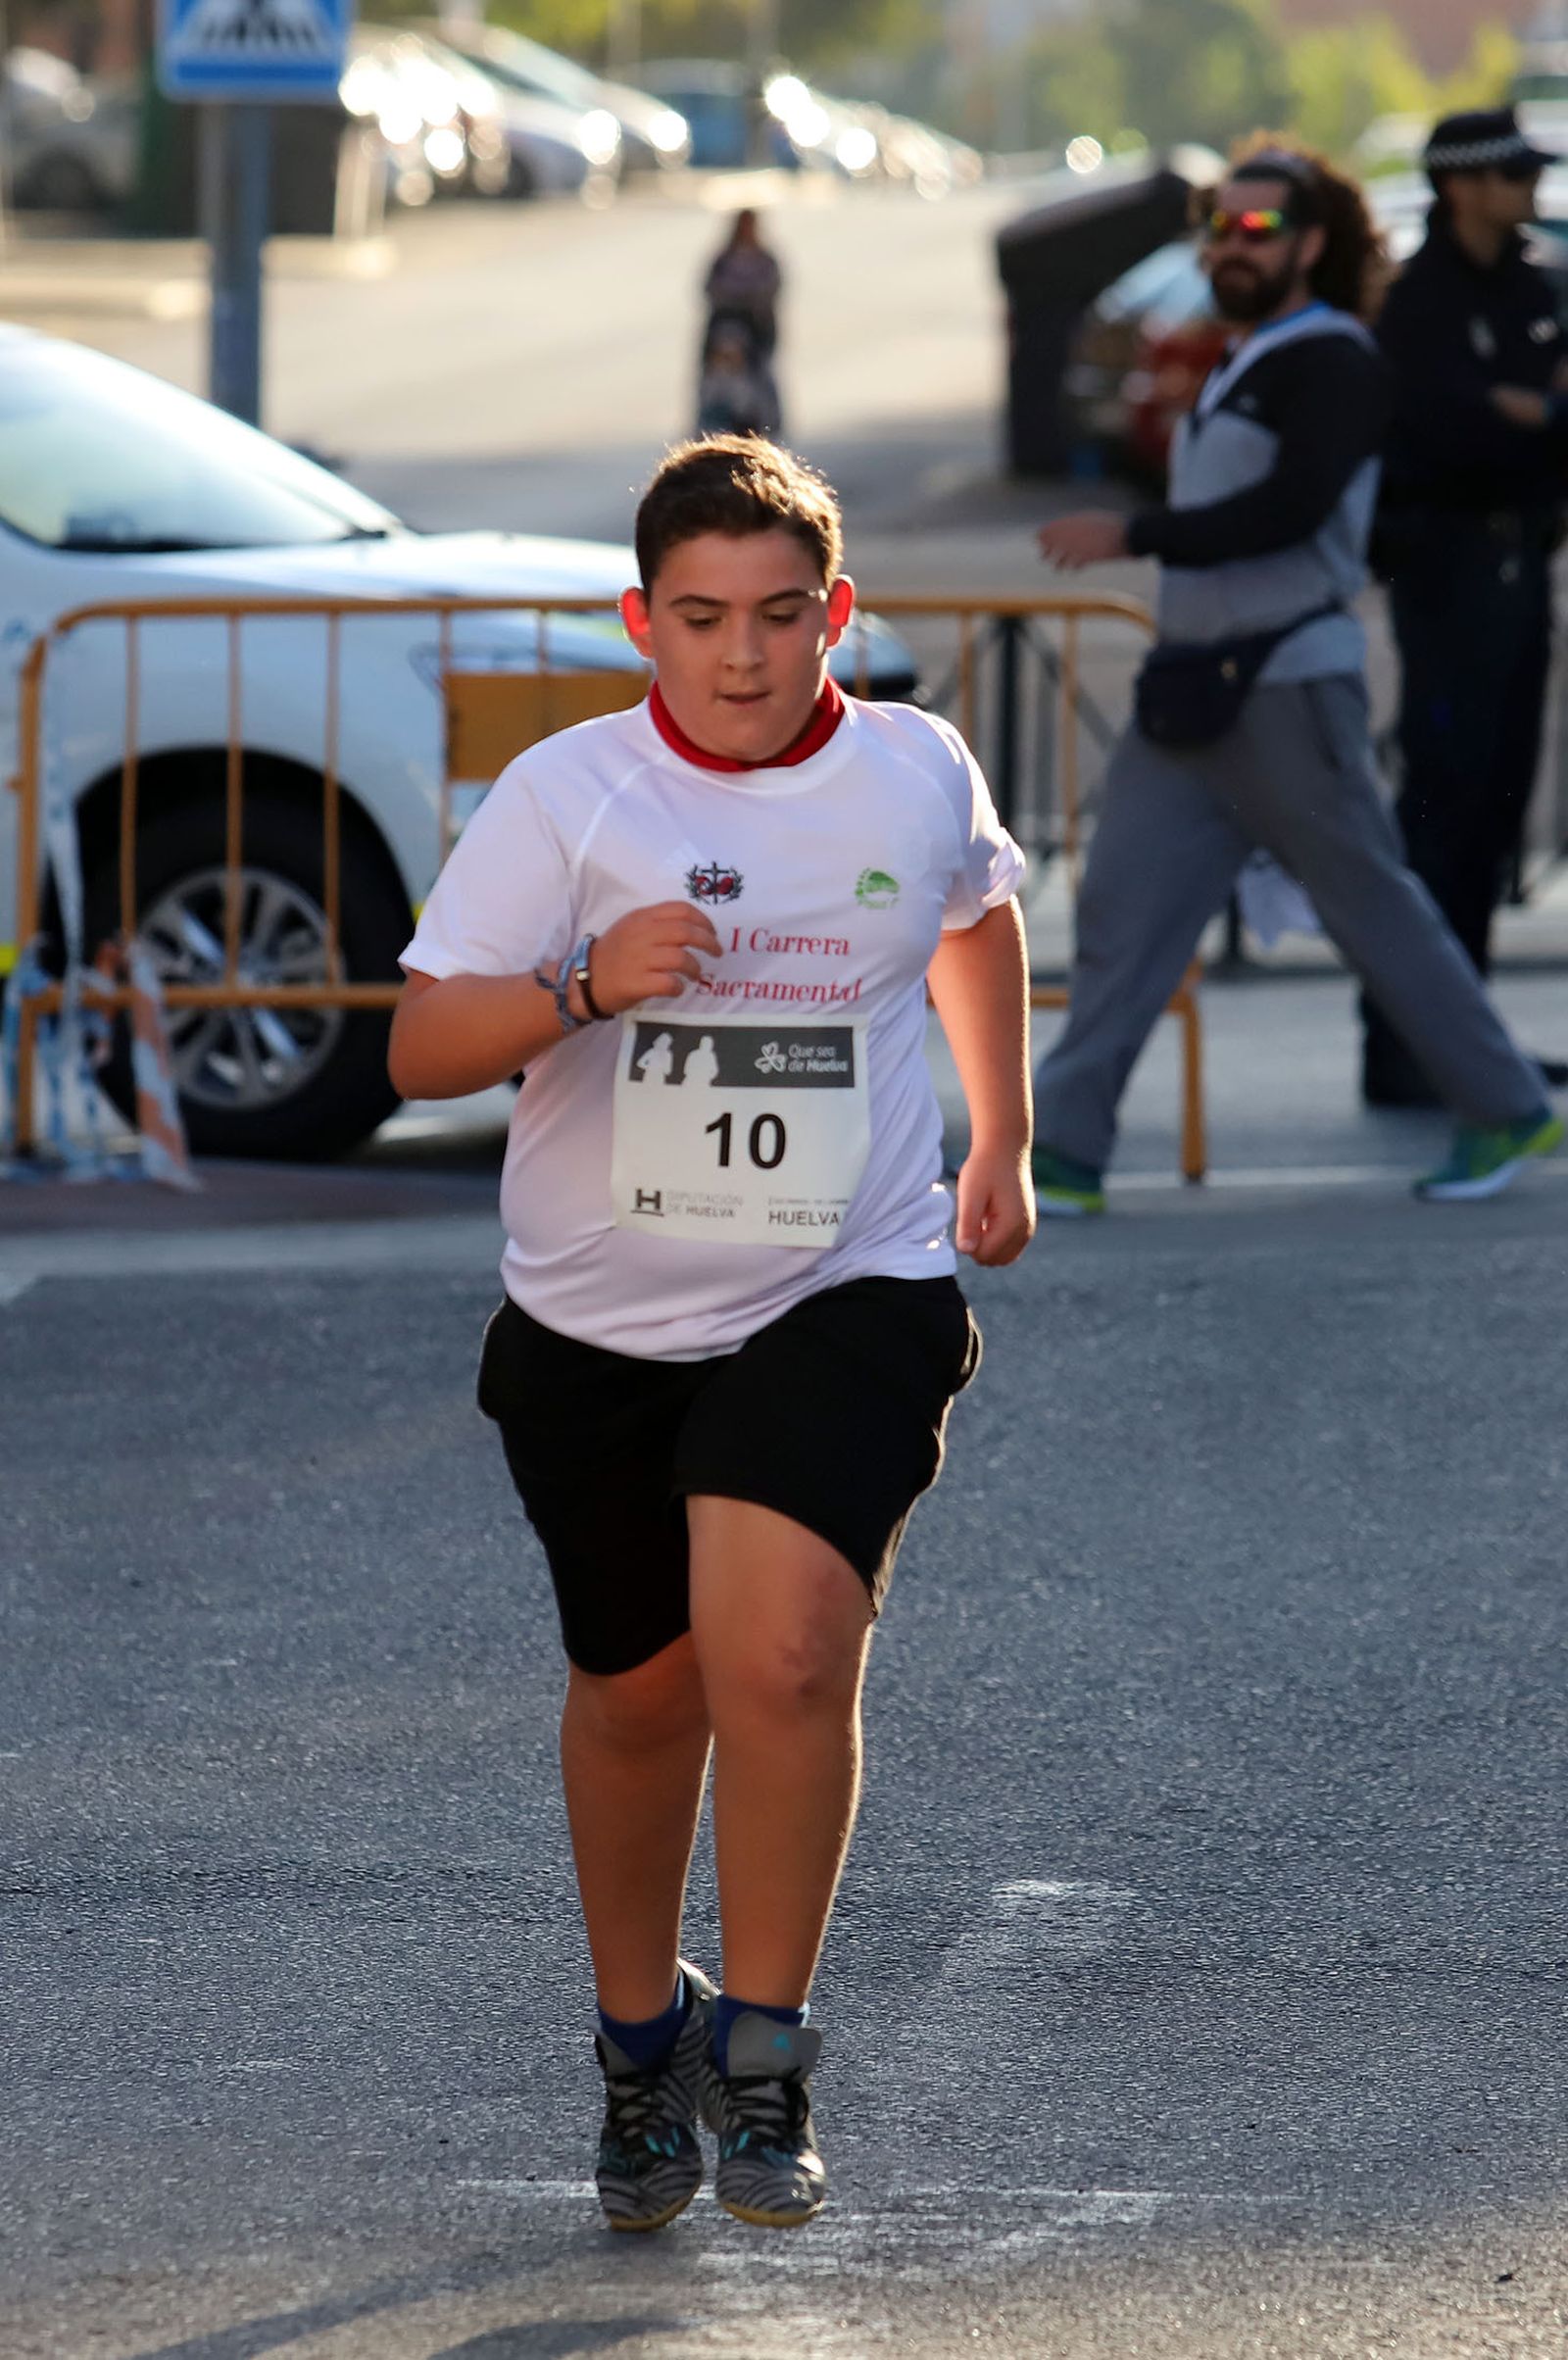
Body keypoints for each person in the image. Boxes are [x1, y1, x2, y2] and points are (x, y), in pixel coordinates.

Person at [388, 435, 1034, 2234]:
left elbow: (974, 914)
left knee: (784, 1656)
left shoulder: (912, 766)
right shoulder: (569, 796)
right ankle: (636, 2043)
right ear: (641, 622)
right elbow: (421, 1049)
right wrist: (587, 984)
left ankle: (765, 2058)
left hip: (848, 1281)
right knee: (640, 1689)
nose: (742, 658)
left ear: (835, 612)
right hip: (597, 1315)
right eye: (699, 620)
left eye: (776, 616)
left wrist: (1005, 1136)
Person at [1029, 134, 1563, 1211]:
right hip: (1191, 691)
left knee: (1373, 905)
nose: (1231, 242)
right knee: (1123, 912)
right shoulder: (1247, 355)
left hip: (1283, 685)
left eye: (1258, 226)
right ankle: (1062, 1152)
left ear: (1309, 242)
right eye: (1218, 224)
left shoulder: (1334, 359)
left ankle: (1504, 1106)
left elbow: (1294, 506)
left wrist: (1135, 532)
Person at [1365, 106, 1568, 1106]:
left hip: (1520, 569)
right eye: (1508, 173)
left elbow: (1543, 420)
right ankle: (1408, 1048)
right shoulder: (1423, 303)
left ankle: (1470, 1041)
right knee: (1440, 808)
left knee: (1493, 809)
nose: (1528, 186)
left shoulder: (1531, 284)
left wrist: (1525, 412)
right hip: (1447, 575)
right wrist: (1518, 413)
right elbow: (1453, 427)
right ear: (1459, 185)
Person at [703, 208, 783, 434]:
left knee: (760, 379)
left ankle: (764, 424)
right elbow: (710, 289)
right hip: (726, 324)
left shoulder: (764, 259)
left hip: (756, 329)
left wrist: (752, 303)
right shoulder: (724, 259)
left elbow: (773, 288)